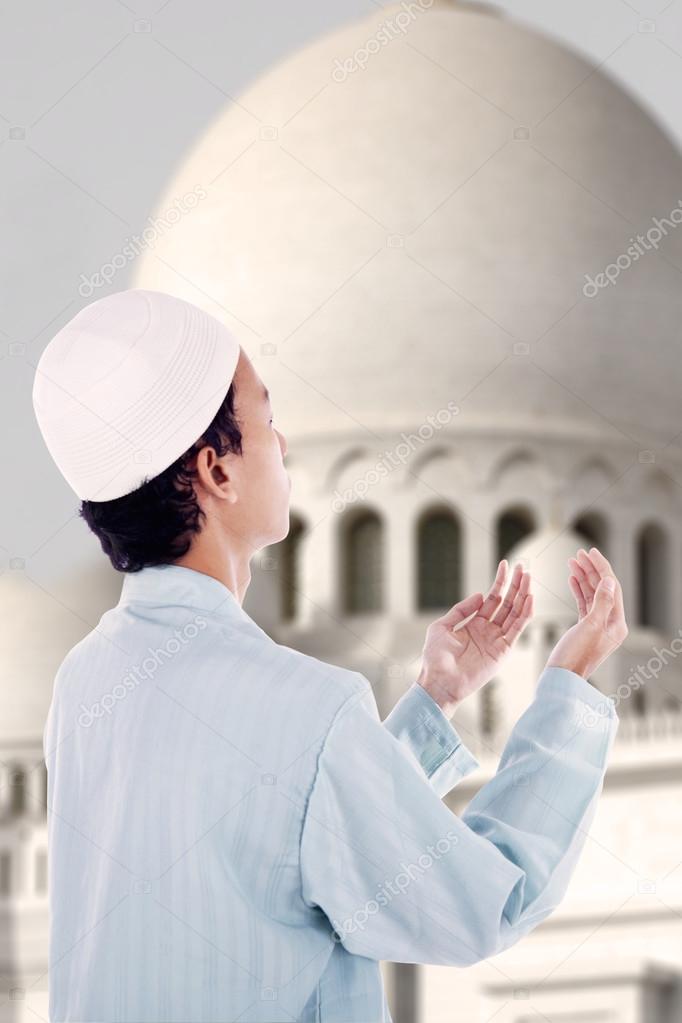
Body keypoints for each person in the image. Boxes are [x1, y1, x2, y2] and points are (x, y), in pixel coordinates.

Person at [32, 289, 628, 1022]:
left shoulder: (85, 683)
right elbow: (483, 902)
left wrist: (435, 696)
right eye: (268, 417)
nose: (283, 445)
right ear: (216, 472)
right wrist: (566, 687)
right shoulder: (305, 704)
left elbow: (286, 840)